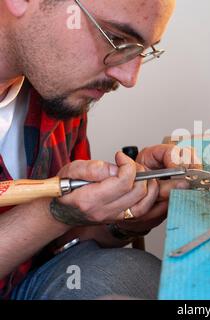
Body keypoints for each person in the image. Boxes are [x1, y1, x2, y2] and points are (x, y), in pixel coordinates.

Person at [0, 0, 196, 300]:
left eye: (141, 50)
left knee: (138, 274)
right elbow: (55, 220)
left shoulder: (59, 90)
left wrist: (120, 214)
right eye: (115, 39)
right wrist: (53, 213)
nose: (129, 78)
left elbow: (54, 246)